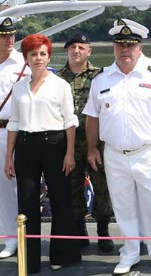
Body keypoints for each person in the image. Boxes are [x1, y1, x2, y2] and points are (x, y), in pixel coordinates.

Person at [83, 21, 151, 274]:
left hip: (147, 152)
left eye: (130, 45)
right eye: (120, 45)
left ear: (139, 47)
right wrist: (92, 148)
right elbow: (92, 117)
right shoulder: (101, 79)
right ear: (114, 47)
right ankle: (130, 253)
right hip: (113, 153)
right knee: (123, 207)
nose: (125, 49)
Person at [4, 34, 81, 273]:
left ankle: (63, 255)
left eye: (42, 54)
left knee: (60, 201)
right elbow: (14, 122)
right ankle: (30, 259)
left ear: (49, 56)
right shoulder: (18, 87)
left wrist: (69, 153)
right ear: (26, 58)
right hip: (26, 146)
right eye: (33, 54)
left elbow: (70, 122)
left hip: (55, 145)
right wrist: (9, 156)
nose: (38, 58)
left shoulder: (61, 85)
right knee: (26, 203)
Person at [56, 33, 114, 252]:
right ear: (67, 51)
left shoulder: (101, 76)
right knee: (73, 187)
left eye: (81, 47)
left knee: (101, 187)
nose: (76, 51)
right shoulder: (56, 78)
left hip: (95, 141)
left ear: (89, 51)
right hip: (67, 142)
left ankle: (103, 231)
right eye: (72, 47)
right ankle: (79, 230)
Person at [0, 16, 24, 260]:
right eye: (4, 35)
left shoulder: (24, 63)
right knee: (2, 188)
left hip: (21, 131)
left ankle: (28, 237)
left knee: (25, 187)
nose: (9, 39)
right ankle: (10, 238)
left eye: (12, 34)